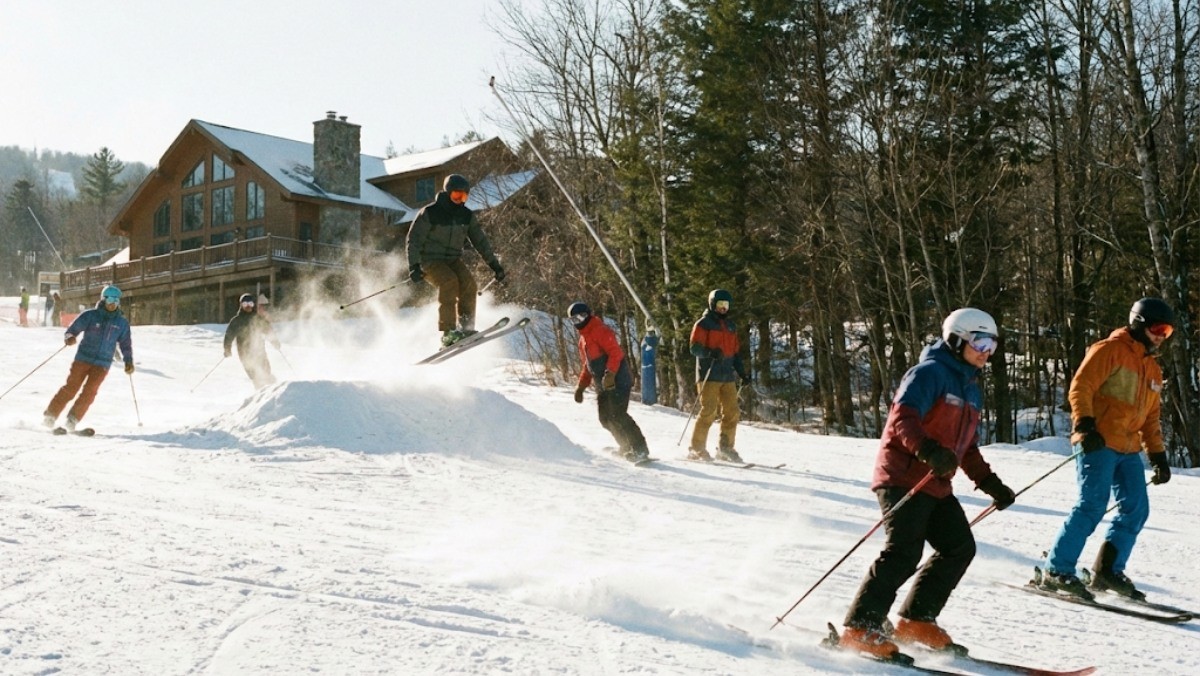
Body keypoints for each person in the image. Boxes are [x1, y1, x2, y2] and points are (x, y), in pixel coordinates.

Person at [839, 308, 1016, 658]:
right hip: (902, 475)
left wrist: (990, 483)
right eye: (980, 342)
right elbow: (903, 419)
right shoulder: (928, 373)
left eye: (992, 345)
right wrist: (928, 450)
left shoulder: (971, 388)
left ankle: (916, 620)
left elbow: (967, 448)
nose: (986, 352)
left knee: (958, 547)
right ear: (956, 340)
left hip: (935, 481)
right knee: (904, 551)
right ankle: (859, 627)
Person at [1036, 297, 1174, 601]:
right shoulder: (1109, 350)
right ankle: (1057, 570)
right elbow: (1080, 386)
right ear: (1139, 323)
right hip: (1098, 441)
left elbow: (1151, 418)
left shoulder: (1153, 369)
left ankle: (1108, 570)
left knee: (1136, 509)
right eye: (1158, 329)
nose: (1161, 337)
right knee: (1092, 505)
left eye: (1167, 332)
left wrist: (1158, 456)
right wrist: (1085, 424)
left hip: (1128, 449)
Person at [406, 173, 505, 347]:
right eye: (456, 196)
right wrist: (414, 265)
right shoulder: (430, 212)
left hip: (452, 260)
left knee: (469, 285)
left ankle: (466, 327)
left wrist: (495, 265)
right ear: (447, 193)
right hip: (429, 260)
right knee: (449, 282)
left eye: (464, 197)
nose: (460, 200)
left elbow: (480, 241)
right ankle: (448, 332)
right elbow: (413, 239)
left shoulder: (466, 216)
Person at [43, 285, 134, 432]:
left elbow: (125, 344)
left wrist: (128, 361)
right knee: (71, 388)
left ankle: (72, 420)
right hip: (83, 359)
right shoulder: (90, 315)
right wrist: (70, 337)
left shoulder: (121, 323)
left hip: (103, 364)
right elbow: (72, 330)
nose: (113, 303)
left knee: (90, 392)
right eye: (110, 300)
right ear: (103, 299)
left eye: (116, 300)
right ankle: (50, 416)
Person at [568, 302, 651, 463]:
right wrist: (581, 386)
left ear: (588, 315)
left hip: (618, 380)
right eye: (574, 320)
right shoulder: (583, 340)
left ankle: (640, 449)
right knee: (605, 419)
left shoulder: (600, 330)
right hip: (603, 385)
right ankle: (625, 446)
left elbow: (616, 353)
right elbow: (588, 365)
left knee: (618, 415)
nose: (578, 321)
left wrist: (611, 373)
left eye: (581, 317)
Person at [687, 289, 750, 462]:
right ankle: (697, 448)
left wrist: (742, 373)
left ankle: (726, 447)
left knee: (732, 411)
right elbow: (694, 348)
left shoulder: (731, 326)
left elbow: (735, 353)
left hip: (727, 375)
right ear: (712, 304)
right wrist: (710, 352)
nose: (723, 308)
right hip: (709, 373)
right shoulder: (703, 324)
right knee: (709, 411)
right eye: (720, 304)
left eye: (726, 305)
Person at [224, 293, 280, 389]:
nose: (248, 306)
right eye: (245, 304)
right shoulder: (237, 321)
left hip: (258, 349)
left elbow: (268, 330)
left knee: (265, 369)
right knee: (252, 372)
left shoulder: (257, 318)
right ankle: (259, 389)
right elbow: (229, 335)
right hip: (244, 351)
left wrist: (274, 341)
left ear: (253, 304)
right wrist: (227, 349)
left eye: (250, 303)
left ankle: (270, 387)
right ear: (241, 305)